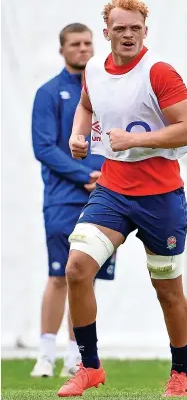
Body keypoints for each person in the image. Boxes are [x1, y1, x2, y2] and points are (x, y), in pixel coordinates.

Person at [57, 0, 187, 398]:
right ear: (107, 33)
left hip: (162, 196)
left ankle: (181, 373)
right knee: (76, 269)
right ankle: (89, 367)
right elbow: (86, 105)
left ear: (145, 32)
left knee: (168, 290)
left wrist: (136, 139)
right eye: (120, 28)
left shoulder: (160, 72)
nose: (128, 34)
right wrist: (77, 133)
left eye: (135, 27)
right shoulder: (93, 71)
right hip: (114, 191)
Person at [31, 23, 116, 379]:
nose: (83, 49)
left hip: (105, 199)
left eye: (87, 43)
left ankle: (74, 356)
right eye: (75, 44)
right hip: (64, 199)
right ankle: (45, 355)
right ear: (62, 49)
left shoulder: (108, 92)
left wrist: (107, 179)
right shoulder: (49, 93)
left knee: (86, 277)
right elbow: (44, 147)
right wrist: (85, 177)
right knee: (58, 276)